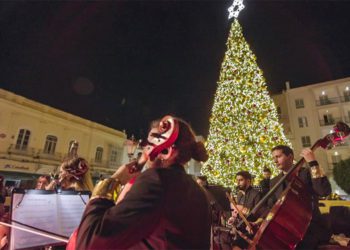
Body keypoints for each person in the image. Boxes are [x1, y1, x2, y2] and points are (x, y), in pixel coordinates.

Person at [75, 116, 211, 249]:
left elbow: (90, 242)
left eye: (151, 141)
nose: (145, 147)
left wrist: (114, 180)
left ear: (166, 151)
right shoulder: (200, 193)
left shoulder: (157, 180)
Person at [269, 145, 332, 249]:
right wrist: (259, 219)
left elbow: (323, 191)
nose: (275, 161)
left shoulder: (307, 173)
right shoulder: (274, 182)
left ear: (290, 157)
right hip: (287, 230)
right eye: (273, 158)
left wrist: (312, 162)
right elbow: (271, 206)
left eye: (278, 156)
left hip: (311, 229)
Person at [227, 171, 265, 250]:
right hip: (240, 229)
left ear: (248, 181)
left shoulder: (256, 194)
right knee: (225, 239)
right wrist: (233, 219)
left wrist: (245, 210)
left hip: (251, 229)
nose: (238, 182)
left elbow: (261, 214)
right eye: (237, 180)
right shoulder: (239, 194)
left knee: (236, 245)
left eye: (240, 180)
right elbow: (237, 213)